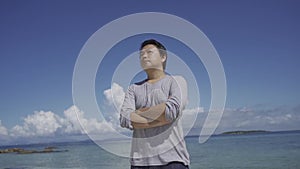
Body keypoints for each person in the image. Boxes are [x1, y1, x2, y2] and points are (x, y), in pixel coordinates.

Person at [120, 39, 190, 169]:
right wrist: (161, 119)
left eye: (149, 52)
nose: (144, 56)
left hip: (173, 160)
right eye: (141, 54)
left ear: (163, 57)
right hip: (139, 163)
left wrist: (139, 114)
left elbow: (171, 111)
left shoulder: (177, 80)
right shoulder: (133, 88)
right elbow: (125, 118)